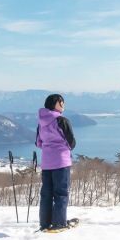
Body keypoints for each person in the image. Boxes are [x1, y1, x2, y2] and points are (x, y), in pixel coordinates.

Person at [35, 93, 77, 231]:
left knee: (46, 193)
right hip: (61, 162)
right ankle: (59, 223)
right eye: (61, 102)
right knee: (61, 193)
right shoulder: (61, 120)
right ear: (55, 104)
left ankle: (45, 223)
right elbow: (72, 142)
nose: (63, 105)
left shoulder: (41, 122)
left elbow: (38, 142)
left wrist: (49, 147)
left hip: (46, 162)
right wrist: (62, 148)